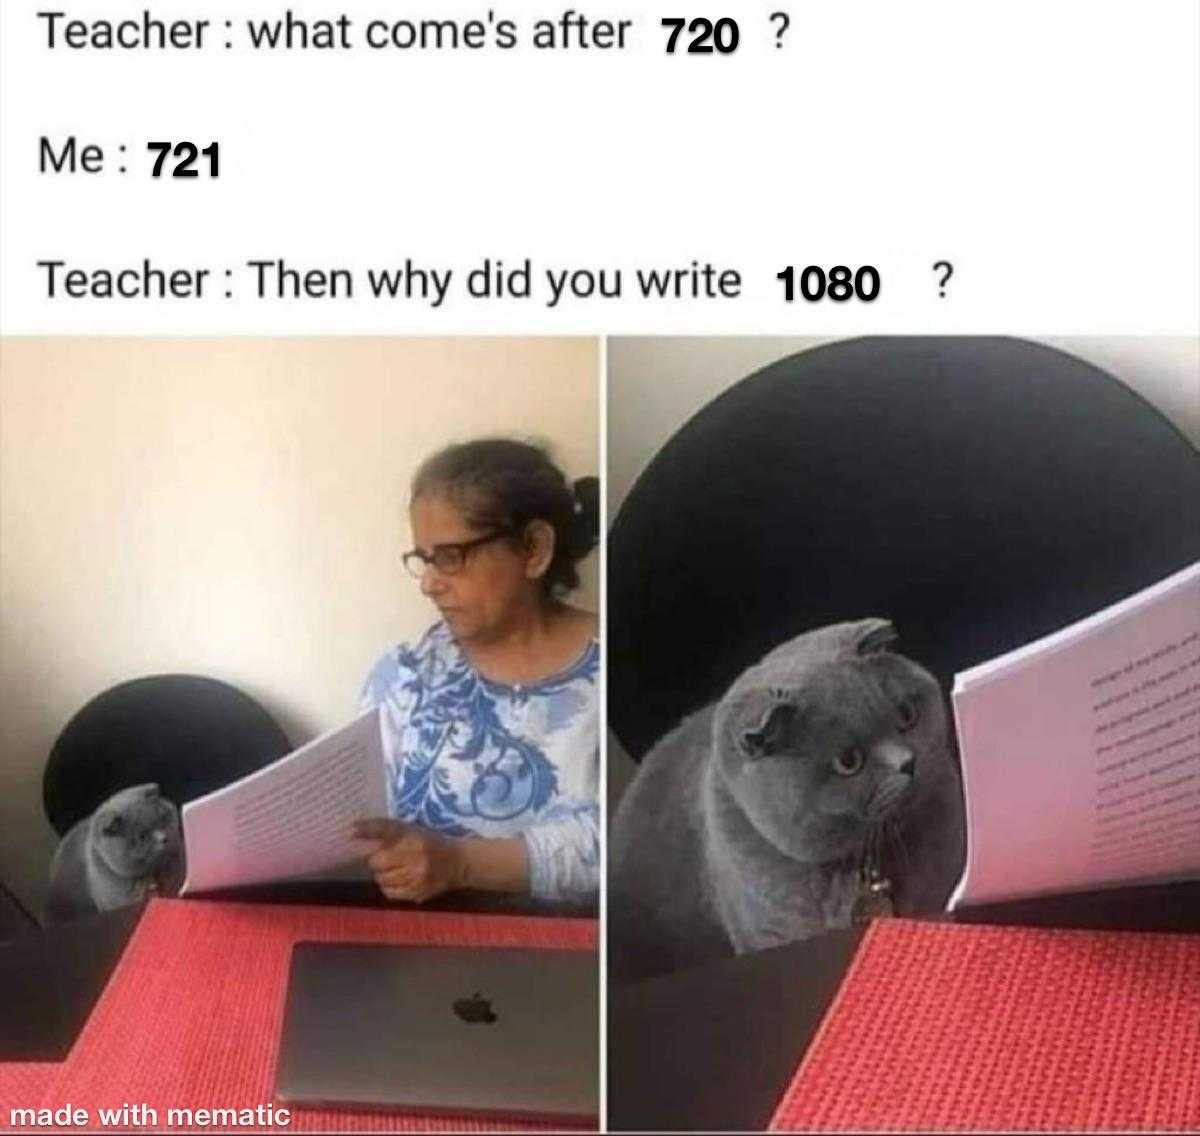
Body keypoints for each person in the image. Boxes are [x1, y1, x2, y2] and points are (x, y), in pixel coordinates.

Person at [353, 438, 600, 906]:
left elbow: (624, 842)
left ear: (534, 549)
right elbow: (358, 820)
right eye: (423, 560)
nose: (429, 583)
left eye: (450, 557)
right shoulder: (404, 674)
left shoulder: (610, 675)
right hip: (410, 944)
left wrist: (460, 864)